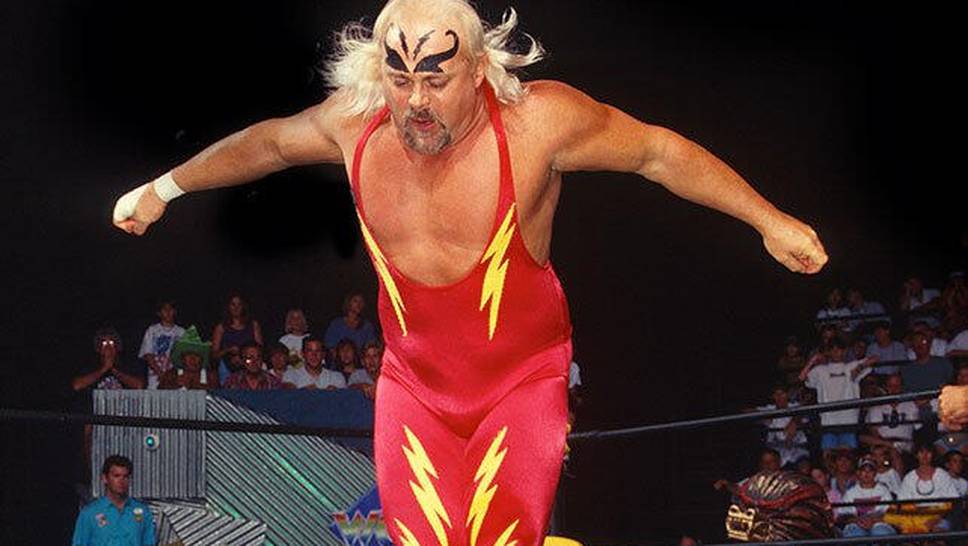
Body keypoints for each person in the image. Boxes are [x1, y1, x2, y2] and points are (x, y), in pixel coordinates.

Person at [111, 1, 828, 542]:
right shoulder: (354, 125)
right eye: (399, 78)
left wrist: (769, 219)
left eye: (435, 77)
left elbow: (656, 153)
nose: (416, 101)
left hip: (521, 384)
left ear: (479, 69)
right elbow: (268, 145)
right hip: (414, 389)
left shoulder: (537, 124)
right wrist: (162, 189)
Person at [71, 455, 156, 546]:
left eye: (125, 477)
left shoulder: (143, 512)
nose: (121, 481)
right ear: (105, 478)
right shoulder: (89, 513)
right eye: (116, 476)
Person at [837, 456, 896, 540]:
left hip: (879, 524)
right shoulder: (850, 493)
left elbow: (891, 513)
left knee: (880, 532)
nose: (866, 473)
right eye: (863, 470)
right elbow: (842, 516)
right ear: (858, 473)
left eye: (870, 471)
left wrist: (874, 520)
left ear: (875, 473)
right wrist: (857, 520)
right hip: (856, 525)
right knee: (854, 534)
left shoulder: (884, 490)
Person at [211, 294, 264, 384]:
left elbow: (260, 349)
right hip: (227, 367)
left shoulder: (253, 325)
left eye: (239, 304)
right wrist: (228, 350)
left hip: (250, 365)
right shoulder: (221, 327)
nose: (236, 308)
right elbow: (214, 354)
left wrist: (243, 357)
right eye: (233, 304)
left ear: (243, 307)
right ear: (228, 307)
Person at [137, 300, 185, 389]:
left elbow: (185, 357)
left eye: (170, 309)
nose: (168, 312)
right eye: (165, 309)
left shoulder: (181, 332)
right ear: (159, 313)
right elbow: (148, 355)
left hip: (176, 379)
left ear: (174, 312)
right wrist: (161, 374)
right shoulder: (152, 330)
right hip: (155, 379)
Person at [282, 337, 346, 390]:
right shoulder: (291, 375)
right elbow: (288, 395)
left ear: (323, 354)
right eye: (310, 351)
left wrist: (335, 393)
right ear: (302, 354)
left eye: (318, 351)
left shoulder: (336, 377)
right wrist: (304, 392)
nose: (314, 355)